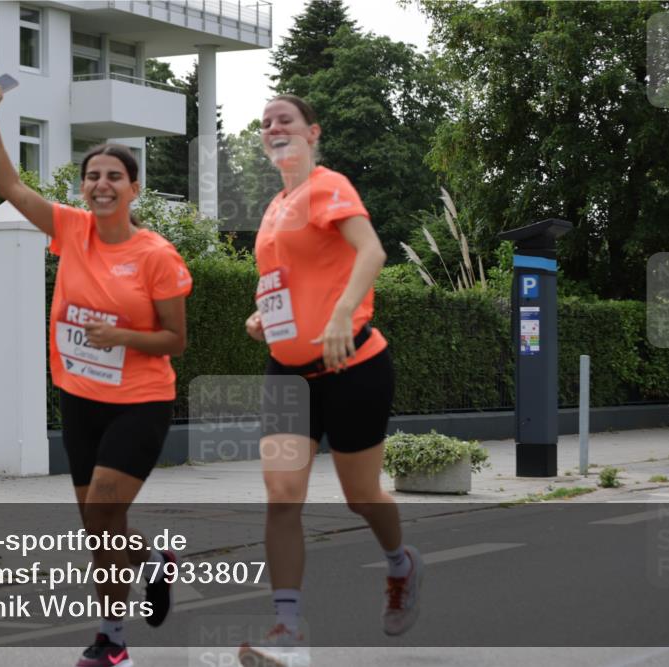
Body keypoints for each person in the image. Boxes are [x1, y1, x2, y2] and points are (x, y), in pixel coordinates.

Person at [0, 79, 192, 667]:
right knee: (97, 528)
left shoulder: (157, 256)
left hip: (140, 402)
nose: (101, 184)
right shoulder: (71, 229)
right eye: (93, 176)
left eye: (114, 176)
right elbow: (9, 186)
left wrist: (122, 336)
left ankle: (110, 641)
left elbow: (177, 339)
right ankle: (150, 566)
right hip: (80, 399)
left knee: (101, 513)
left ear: (134, 188)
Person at [238, 94, 422, 667]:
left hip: (354, 367)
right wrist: (263, 316)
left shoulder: (328, 185)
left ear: (312, 133)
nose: (274, 128)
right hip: (288, 374)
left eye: (285, 120)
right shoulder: (273, 208)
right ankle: (287, 633)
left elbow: (372, 251)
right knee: (282, 498)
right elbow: (286, 284)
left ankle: (401, 563)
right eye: (266, 123)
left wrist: (344, 313)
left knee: (360, 496)